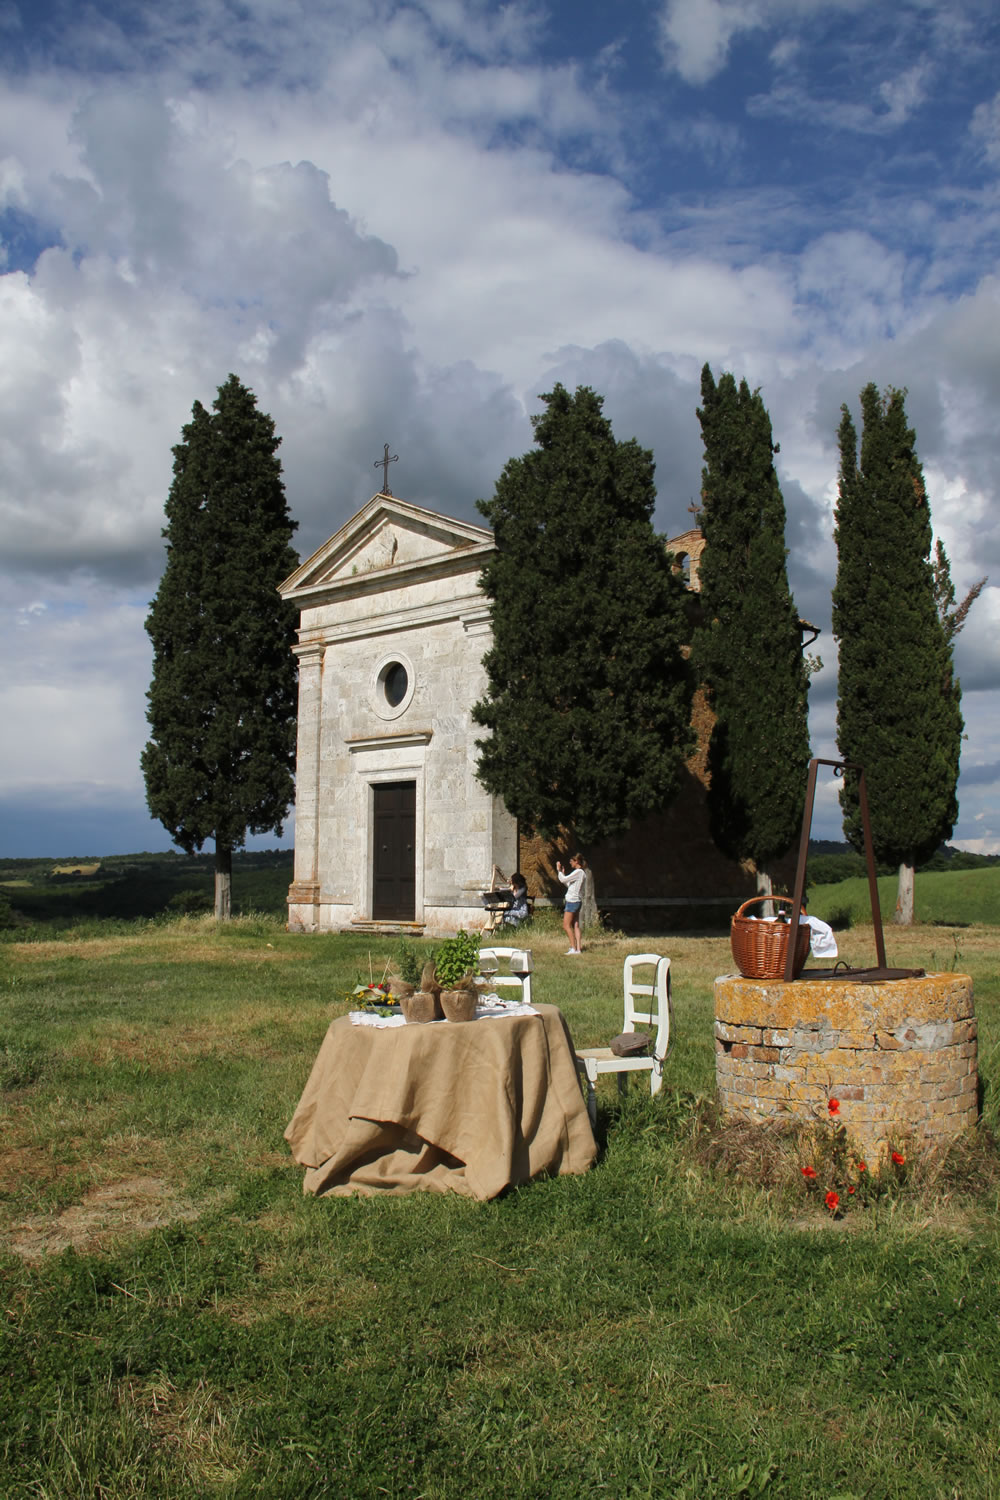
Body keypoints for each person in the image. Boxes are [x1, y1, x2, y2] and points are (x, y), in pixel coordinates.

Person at [556, 853, 586, 954]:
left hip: (572, 901)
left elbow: (563, 879)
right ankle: (578, 949)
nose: (570, 863)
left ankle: (573, 948)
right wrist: (563, 874)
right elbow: (569, 884)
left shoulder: (578, 872)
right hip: (577, 900)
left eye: (571, 861)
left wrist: (559, 870)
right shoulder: (581, 873)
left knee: (566, 925)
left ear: (576, 861)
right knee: (575, 925)